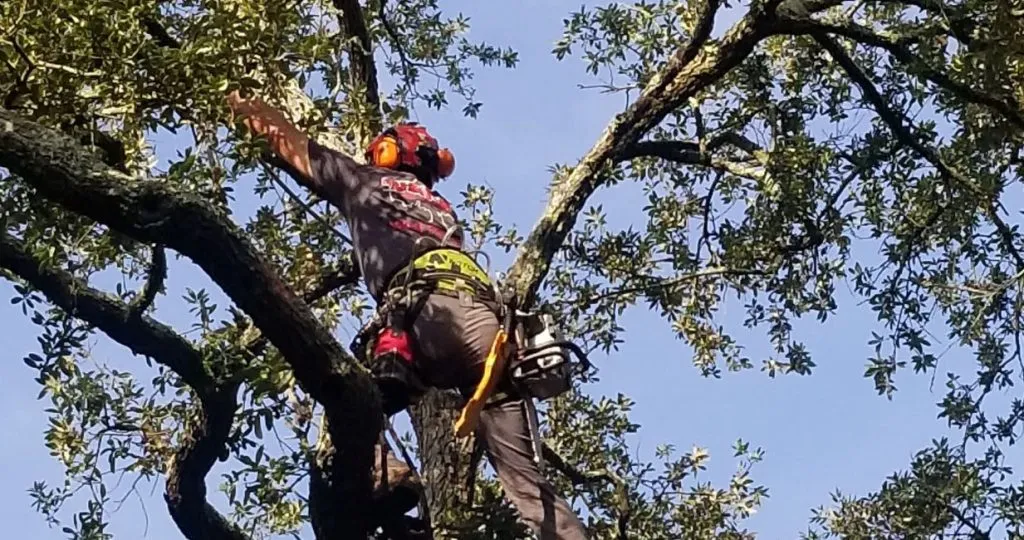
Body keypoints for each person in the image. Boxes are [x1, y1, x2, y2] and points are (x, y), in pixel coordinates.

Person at [226, 89, 588, 539]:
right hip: (490, 333)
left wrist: (239, 103)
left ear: (386, 152)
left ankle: (385, 472)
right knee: (530, 489)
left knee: (352, 394)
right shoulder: (443, 211)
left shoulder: (364, 181)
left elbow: (289, 142)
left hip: (425, 317)